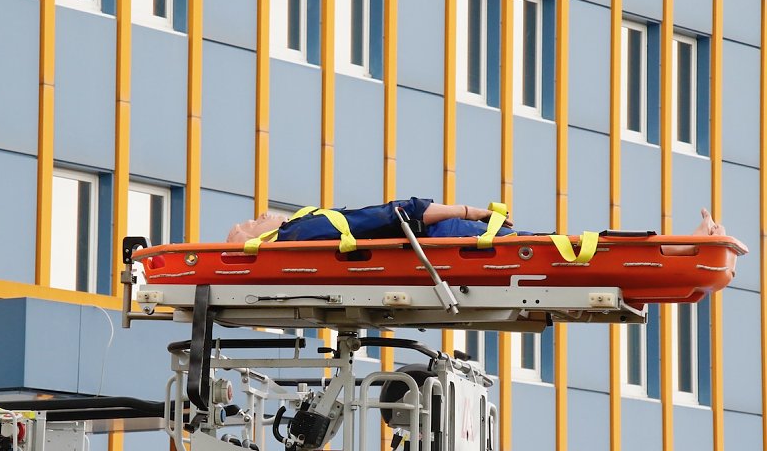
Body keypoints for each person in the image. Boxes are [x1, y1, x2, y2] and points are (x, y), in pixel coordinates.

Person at [226, 198, 733, 247]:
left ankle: (686, 245)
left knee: (562, 246)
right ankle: (686, 245)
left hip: (445, 239)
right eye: (251, 222)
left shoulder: (304, 231)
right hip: (450, 238)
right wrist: (473, 213)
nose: (259, 214)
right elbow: (401, 213)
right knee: (562, 246)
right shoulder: (300, 232)